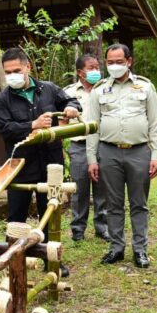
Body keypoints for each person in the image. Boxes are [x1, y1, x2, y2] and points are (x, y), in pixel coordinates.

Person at [0, 47, 81, 276]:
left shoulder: (48, 89)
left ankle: (51, 260)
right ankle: (14, 262)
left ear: (28, 67)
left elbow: (71, 100)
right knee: (16, 216)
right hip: (20, 165)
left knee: (50, 212)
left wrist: (71, 107)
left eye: (16, 70)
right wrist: (32, 125)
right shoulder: (2, 99)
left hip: (50, 163)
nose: (12, 75)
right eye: (7, 72)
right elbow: (4, 127)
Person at [86, 44, 157, 269]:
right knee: (113, 203)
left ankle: (140, 249)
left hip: (139, 151)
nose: (114, 66)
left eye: (119, 62)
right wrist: (92, 159)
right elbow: (92, 127)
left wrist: (156, 155)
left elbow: (155, 124)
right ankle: (116, 248)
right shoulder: (99, 90)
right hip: (108, 151)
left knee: (139, 203)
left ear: (129, 61)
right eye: (110, 62)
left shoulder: (145, 87)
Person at [63, 54, 109, 242]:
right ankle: (78, 229)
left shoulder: (107, 88)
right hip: (79, 146)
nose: (95, 71)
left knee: (102, 187)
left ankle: (102, 227)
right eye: (91, 68)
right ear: (80, 72)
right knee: (80, 188)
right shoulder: (69, 93)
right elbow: (62, 121)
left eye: (97, 67)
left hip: (103, 144)